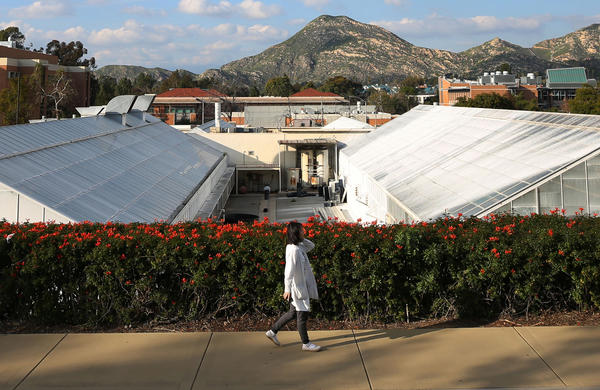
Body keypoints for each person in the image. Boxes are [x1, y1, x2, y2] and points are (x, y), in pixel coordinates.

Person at [266, 221, 321, 352]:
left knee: (292, 313)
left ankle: (272, 332)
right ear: (296, 233)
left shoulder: (298, 247)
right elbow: (288, 271)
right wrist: (287, 289)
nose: (304, 232)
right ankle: (306, 343)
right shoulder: (294, 250)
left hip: (301, 286)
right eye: (302, 231)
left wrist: (301, 239)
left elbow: (311, 245)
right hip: (298, 288)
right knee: (302, 315)